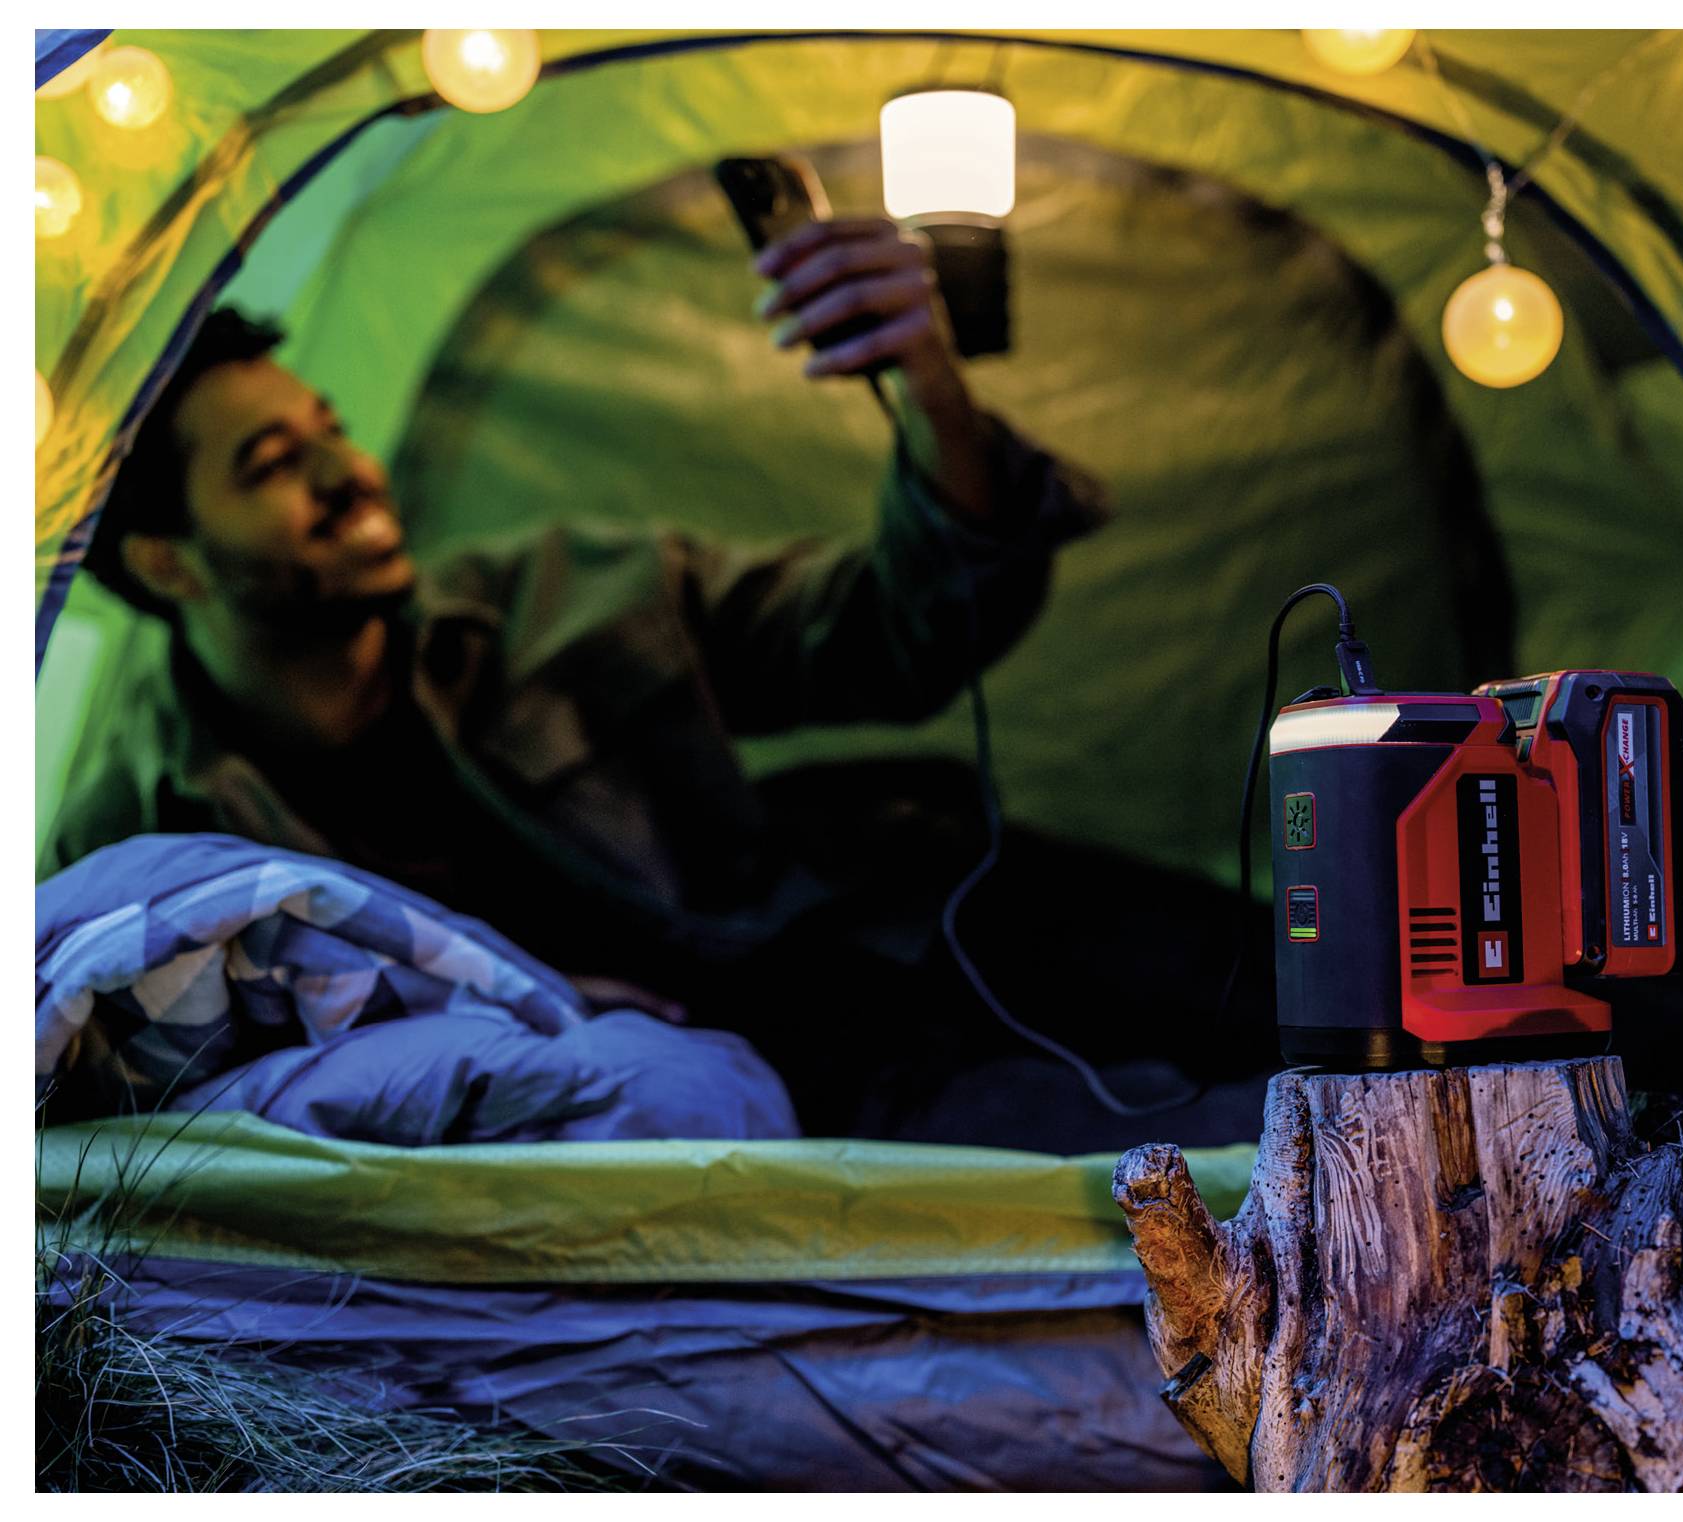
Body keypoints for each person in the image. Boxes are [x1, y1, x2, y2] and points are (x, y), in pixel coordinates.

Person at [50, 219, 1264, 1143]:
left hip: (910, 894)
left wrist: (929, 391)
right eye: (272, 465)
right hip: (801, 1066)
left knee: (1317, 985)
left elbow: (896, 636)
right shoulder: (159, 836)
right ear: (165, 559)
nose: (345, 472)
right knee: (1195, 1142)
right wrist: (537, 1001)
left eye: (329, 428)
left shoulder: (562, 593)